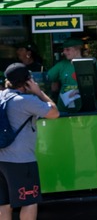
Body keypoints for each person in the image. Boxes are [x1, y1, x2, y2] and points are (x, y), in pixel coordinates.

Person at [0, 63, 59, 220]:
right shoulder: (26, 100)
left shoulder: (1, 96)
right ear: (27, 81)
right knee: (29, 202)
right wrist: (39, 92)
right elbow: (54, 112)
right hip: (22, 160)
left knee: (3, 204)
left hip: (1, 160)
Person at [47, 38, 97, 112]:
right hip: (64, 109)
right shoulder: (61, 65)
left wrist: (79, 91)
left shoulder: (90, 64)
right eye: (64, 50)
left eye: (67, 49)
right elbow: (52, 84)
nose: (64, 52)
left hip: (87, 108)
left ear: (77, 49)